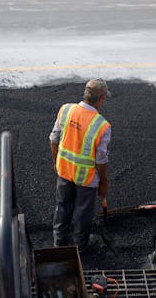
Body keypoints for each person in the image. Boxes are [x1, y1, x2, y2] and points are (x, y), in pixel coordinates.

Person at [49, 79, 111, 252]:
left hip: (64, 171)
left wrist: (56, 162)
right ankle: (79, 246)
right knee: (83, 213)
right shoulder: (102, 125)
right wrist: (103, 183)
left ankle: (59, 242)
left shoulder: (66, 110)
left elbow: (54, 139)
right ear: (101, 98)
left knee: (62, 206)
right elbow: (101, 160)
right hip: (86, 179)